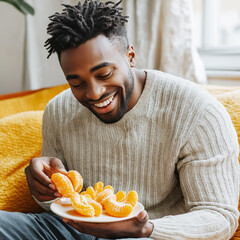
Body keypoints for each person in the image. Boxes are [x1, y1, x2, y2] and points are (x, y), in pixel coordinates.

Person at [0, 0, 239, 239]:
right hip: (73, 229)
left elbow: (220, 216)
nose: (94, 93)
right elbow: (60, 206)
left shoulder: (198, 112)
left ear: (131, 56)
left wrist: (147, 229)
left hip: (150, 234)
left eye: (104, 74)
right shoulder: (59, 110)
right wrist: (44, 189)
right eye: (76, 83)